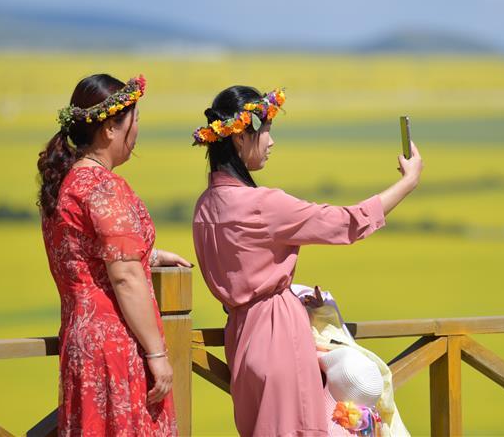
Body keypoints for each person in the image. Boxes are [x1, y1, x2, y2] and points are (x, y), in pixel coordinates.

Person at [191, 86, 423, 437]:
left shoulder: (206, 207)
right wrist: (408, 182)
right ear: (240, 138)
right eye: (265, 131)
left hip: (240, 338)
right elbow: (347, 221)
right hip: (279, 335)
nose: (271, 142)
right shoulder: (263, 205)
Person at [37, 73, 191, 436]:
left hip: (81, 339)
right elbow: (124, 276)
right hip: (115, 344)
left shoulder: (69, 182)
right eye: (134, 122)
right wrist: (156, 354)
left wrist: (149, 256)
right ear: (109, 128)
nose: (137, 132)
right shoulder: (104, 187)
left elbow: (88, 254)